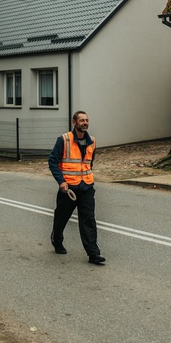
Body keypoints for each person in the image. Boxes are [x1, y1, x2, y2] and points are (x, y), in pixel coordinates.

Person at [48, 111, 105, 265]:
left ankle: (93, 254)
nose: (85, 122)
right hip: (69, 189)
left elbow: (88, 163)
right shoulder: (64, 140)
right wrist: (61, 181)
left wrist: (88, 181)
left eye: (87, 120)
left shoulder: (92, 141)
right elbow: (52, 161)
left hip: (86, 187)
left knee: (88, 220)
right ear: (74, 122)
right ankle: (57, 239)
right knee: (61, 217)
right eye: (81, 120)